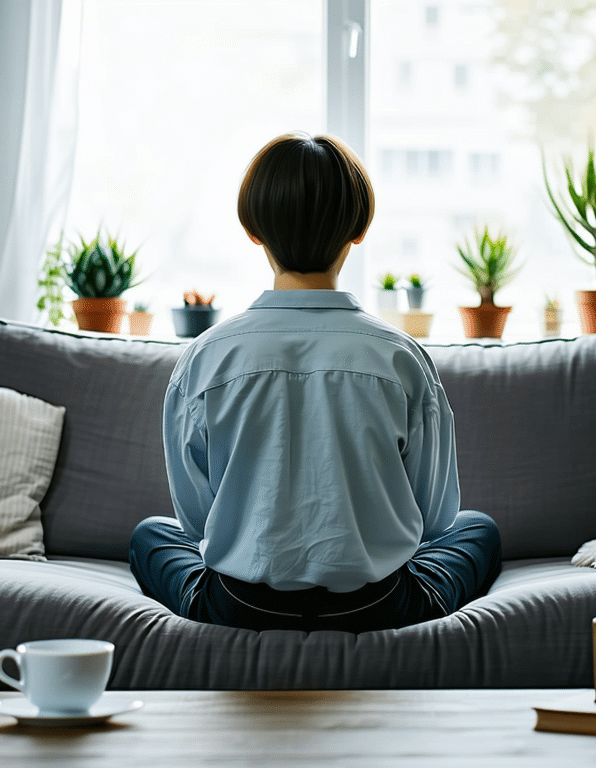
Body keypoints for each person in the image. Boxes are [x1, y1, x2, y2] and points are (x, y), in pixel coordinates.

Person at [129, 131, 500, 633]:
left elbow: (197, 524)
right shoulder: (401, 357)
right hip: (377, 604)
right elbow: (435, 518)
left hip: (242, 604)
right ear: (359, 229)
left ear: (253, 229)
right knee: (478, 529)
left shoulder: (204, 359)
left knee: (152, 534)